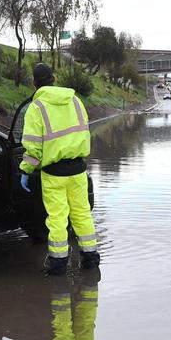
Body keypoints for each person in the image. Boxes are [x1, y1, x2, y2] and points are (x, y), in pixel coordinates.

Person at [20, 63, 100, 276]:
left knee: (57, 218)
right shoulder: (75, 101)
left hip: (54, 173)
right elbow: (84, 132)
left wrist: (26, 170)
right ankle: (90, 259)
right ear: (54, 78)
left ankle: (58, 264)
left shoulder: (36, 108)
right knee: (82, 214)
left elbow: (33, 146)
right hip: (78, 169)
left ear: (34, 83)